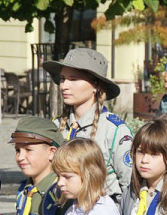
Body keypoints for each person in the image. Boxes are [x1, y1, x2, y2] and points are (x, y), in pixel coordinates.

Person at [44, 48, 133, 203]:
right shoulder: (56, 126)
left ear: (95, 85)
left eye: (73, 79)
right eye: (63, 79)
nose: (64, 86)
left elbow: (130, 186)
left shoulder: (114, 130)